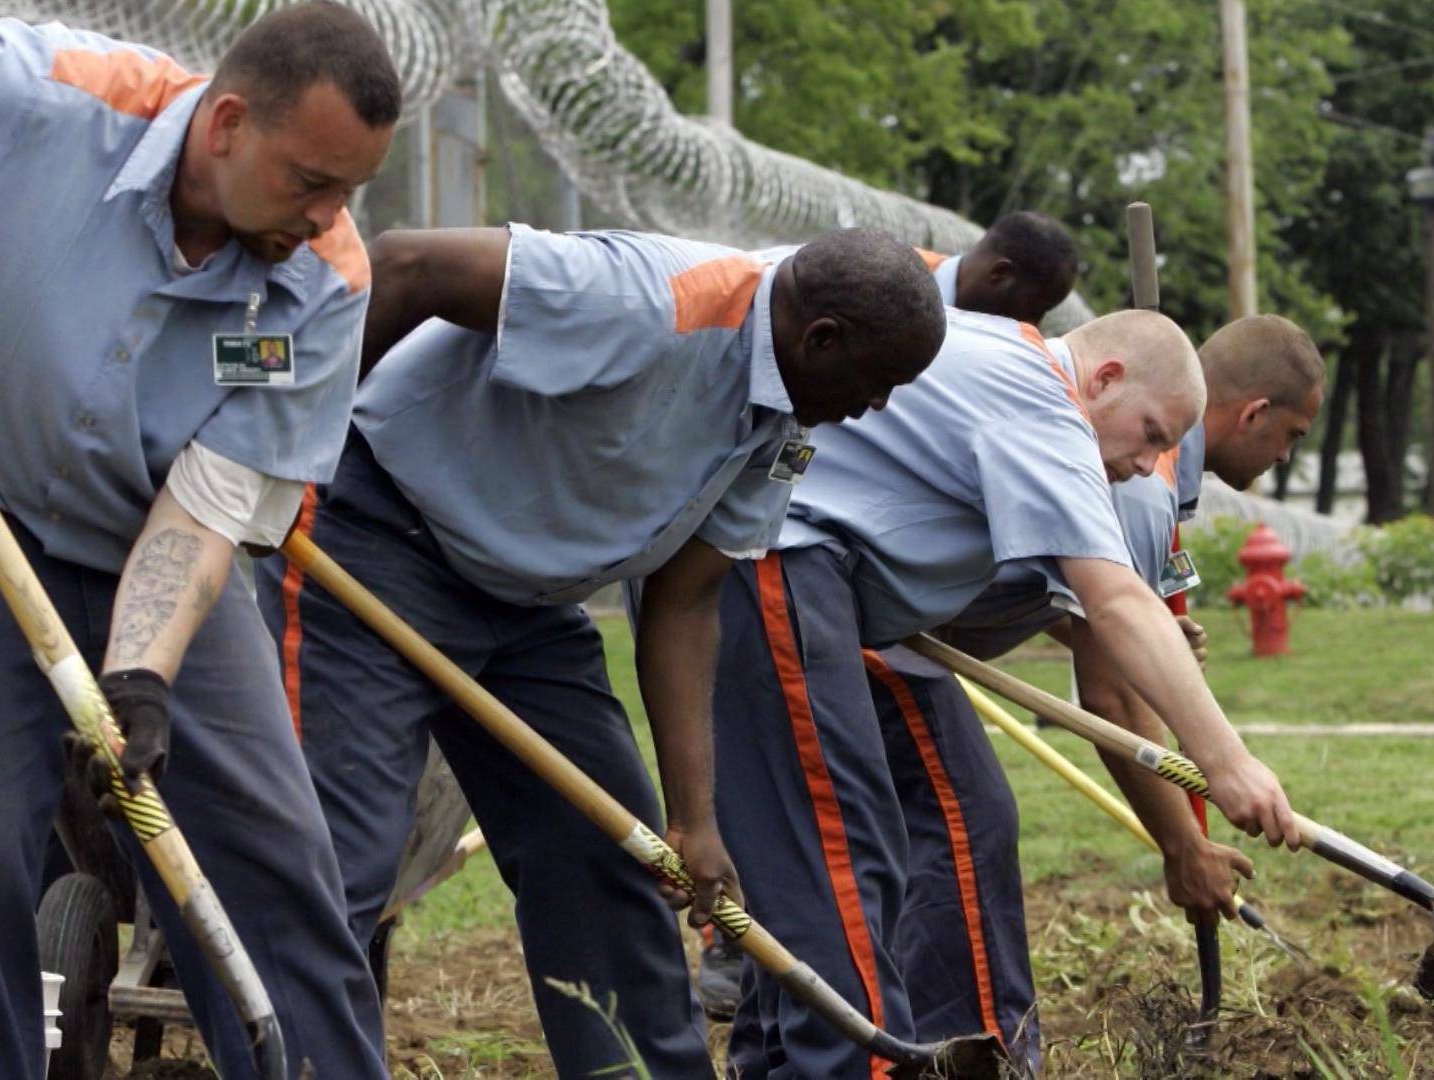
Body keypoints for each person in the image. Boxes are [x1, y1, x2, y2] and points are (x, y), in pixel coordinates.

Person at [257, 224, 945, 1075]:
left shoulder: (785, 413)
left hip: (531, 609)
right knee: (334, 866)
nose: (875, 407)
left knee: (613, 862)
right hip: (379, 541)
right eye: (879, 384)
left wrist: (694, 820)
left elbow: (686, 602)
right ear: (823, 340)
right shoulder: (645, 299)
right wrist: (284, 445)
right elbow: (408, 263)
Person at [0, 7, 400, 1076]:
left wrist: (140, 680)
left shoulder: (323, 282)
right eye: (309, 181)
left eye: (350, 189)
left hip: (150, 538)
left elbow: (210, 507)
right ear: (226, 123)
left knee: (268, 860)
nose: (328, 216)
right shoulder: (41, 96)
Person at [710, 306, 1301, 1077]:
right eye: (1152, 433)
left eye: (1165, 447)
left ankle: (780, 1060)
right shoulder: (1044, 404)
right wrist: (1226, 765)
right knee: (859, 856)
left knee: (838, 861)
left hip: (809, 580)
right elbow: (1117, 619)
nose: (1146, 461)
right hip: (786, 567)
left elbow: (1073, 601)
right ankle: (951, 1055)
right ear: (1107, 378)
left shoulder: (1021, 374)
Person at [864, 313, 1324, 1067]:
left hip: (872, 627)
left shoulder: (1145, 476)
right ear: (1254, 413)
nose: (1285, 456)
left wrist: (1107, 634)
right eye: (1293, 436)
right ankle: (987, 1057)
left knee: (895, 848)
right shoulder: (1140, 489)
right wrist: (1183, 844)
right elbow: (1111, 700)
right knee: (966, 831)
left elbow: (1043, 585)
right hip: (868, 637)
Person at [691, 214, 1085, 1023]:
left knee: (852, 833)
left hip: (832, 574)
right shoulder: (878, 296)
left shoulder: (995, 354)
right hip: (794, 558)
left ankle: (793, 1029)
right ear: (1001, 274)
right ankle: (837, 1032)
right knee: (847, 837)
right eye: (1027, 305)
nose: (875, 404)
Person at [918, 211, 1080, 326]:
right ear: (1000, 274)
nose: (1032, 326)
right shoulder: (895, 278)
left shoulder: (994, 352)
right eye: (1035, 309)